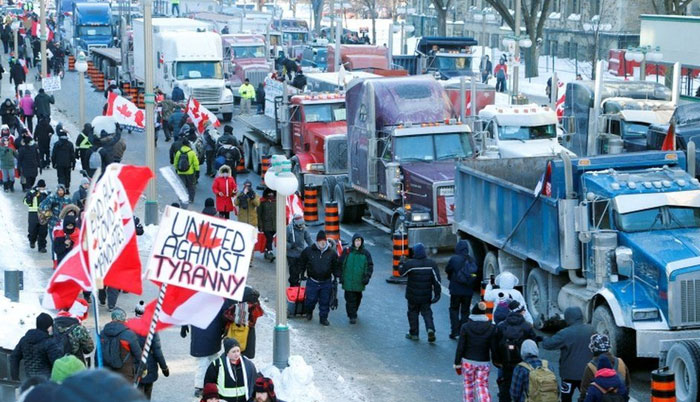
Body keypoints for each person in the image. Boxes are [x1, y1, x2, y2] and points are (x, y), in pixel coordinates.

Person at [542, 307, 594, 402]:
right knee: (587, 398)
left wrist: (544, 338)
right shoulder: (591, 330)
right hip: (587, 373)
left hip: (568, 375)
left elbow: (548, 345)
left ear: (568, 318)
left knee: (566, 398)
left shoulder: (565, 333)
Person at [494, 300, 538, 402]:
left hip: (506, 363)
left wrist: (497, 360)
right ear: (521, 312)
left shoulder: (501, 326)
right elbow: (533, 345)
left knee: (505, 386)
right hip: (523, 363)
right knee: (523, 387)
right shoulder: (527, 327)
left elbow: (495, 345)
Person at [454, 301, 497, 402]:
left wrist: (457, 362)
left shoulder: (466, 327)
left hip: (468, 361)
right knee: (482, 385)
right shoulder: (491, 328)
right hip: (483, 361)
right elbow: (493, 347)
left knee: (468, 386)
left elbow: (461, 346)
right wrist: (496, 360)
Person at [399, 243, 441, 342]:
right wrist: (437, 293)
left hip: (412, 296)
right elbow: (437, 280)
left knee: (412, 313)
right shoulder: (431, 264)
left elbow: (402, 273)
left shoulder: (410, 264)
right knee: (427, 313)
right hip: (426, 296)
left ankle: (414, 334)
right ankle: (430, 329)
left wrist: (401, 263)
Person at [299, 230, 340, 326]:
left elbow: (336, 266)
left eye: (324, 241)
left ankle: (323, 318)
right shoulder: (309, 251)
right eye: (320, 241)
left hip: (326, 282)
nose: (322, 242)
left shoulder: (332, 253)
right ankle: (309, 312)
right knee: (310, 300)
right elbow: (302, 262)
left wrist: (337, 277)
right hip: (312, 281)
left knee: (325, 301)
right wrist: (301, 273)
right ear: (317, 241)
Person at [10, 312, 62, 380]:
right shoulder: (49, 343)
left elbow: (14, 357)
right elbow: (58, 364)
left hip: (30, 382)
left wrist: (15, 378)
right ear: (48, 327)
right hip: (46, 383)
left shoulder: (24, 340)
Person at [578, 334, 630, 402]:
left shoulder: (590, 367)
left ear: (593, 349)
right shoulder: (620, 362)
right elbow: (627, 385)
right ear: (608, 347)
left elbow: (584, 391)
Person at [134, 304, 169, 399]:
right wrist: (164, 367)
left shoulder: (129, 326)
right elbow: (157, 351)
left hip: (134, 364)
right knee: (147, 393)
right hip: (149, 365)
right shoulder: (151, 329)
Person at [445, 239, 477, 339]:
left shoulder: (454, 259)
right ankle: (463, 332)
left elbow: (447, 269)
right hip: (468, 291)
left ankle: (455, 332)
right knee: (465, 311)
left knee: (454, 309)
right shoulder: (472, 260)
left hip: (455, 290)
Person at [339, 233, 373, 324]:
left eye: (359, 241)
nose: (358, 242)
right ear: (353, 241)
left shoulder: (365, 253)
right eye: (356, 240)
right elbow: (341, 264)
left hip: (359, 281)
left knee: (358, 297)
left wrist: (367, 276)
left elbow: (369, 266)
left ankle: (354, 311)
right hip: (348, 281)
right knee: (350, 299)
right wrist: (340, 276)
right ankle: (352, 315)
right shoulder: (347, 252)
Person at [101, 308, 142, 383]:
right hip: (126, 374)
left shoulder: (103, 333)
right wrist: (143, 369)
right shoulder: (129, 334)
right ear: (123, 319)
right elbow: (138, 355)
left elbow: (99, 354)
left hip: (107, 373)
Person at [287, 214, 312, 286]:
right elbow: (283, 241)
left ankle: (298, 280)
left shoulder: (304, 229)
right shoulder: (289, 229)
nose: (301, 226)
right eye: (299, 225)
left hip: (301, 253)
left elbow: (309, 240)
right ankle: (293, 284)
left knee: (300, 268)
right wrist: (290, 245)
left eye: (302, 224)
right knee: (293, 271)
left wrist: (314, 248)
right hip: (291, 254)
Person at [173, 137, 200, 204]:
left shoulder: (179, 152)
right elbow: (196, 163)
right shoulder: (191, 152)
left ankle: (182, 198)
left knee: (182, 186)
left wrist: (177, 169)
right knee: (191, 186)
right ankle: (191, 199)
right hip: (190, 172)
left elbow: (175, 162)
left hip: (180, 171)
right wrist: (197, 171)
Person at [24, 179, 49, 252]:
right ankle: (32, 240)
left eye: (43, 187)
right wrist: (29, 199)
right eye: (40, 187)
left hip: (43, 214)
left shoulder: (47, 193)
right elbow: (25, 201)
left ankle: (42, 247)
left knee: (43, 231)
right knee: (32, 230)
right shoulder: (32, 192)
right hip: (33, 214)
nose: (42, 189)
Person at [257, 187, 276, 261]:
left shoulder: (276, 202)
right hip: (266, 225)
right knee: (269, 238)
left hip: (274, 225)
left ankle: (266, 250)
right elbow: (259, 214)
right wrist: (260, 226)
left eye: (272, 193)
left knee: (269, 239)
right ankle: (269, 252)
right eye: (269, 194)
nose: (271, 195)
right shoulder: (262, 202)